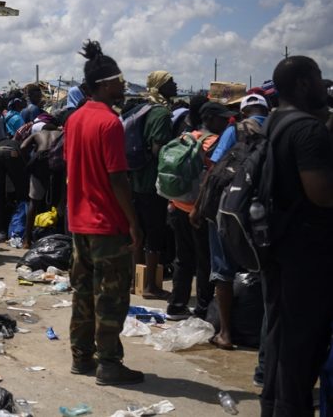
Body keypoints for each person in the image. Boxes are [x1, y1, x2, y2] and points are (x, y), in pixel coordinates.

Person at [64, 40, 143, 385]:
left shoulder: (74, 119)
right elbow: (117, 180)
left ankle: (81, 357)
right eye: (120, 82)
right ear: (105, 84)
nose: (123, 87)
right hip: (107, 225)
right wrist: (134, 223)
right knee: (110, 297)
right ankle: (109, 363)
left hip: (79, 223)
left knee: (82, 293)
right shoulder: (110, 123)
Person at [259, 56, 333, 416]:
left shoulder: (275, 122)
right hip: (307, 252)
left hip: (278, 245)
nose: (324, 85)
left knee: (282, 337)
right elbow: (321, 193)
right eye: (320, 77)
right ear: (304, 83)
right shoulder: (309, 131)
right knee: (302, 347)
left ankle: (273, 406)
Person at [190, 94, 269, 351]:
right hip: (263, 211)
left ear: (243, 111)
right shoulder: (277, 127)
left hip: (229, 207)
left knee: (223, 269)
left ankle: (225, 333)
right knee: (263, 269)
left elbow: (215, 170)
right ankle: (264, 331)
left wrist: (200, 207)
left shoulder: (235, 130)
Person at [165, 101, 232, 321]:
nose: (227, 122)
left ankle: (176, 305)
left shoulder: (185, 137)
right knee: (204, 261)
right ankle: (202, 309)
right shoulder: (213, 142)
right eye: (223, 118)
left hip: (177, 205)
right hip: (199, 210)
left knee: (183, 258)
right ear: (210, 119)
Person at [129, 70, 177, 300]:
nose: (175, 85)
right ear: (161, 86)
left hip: (136, 179)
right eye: (170, 82)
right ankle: (150, 286)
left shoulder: (142, 108)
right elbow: (159, 149)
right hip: (152, 183)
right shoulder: (161, 113)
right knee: (154, 234)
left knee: (137, 231)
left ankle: (134, 282)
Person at [20, 116, 63, 248]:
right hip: (57, 164)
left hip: (40, 163)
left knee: (34, 201)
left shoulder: (38, 134)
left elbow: (22, 146)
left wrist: (28, 160)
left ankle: (27, 240)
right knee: (60, 201)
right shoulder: (61, 133)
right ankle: (60, 237)